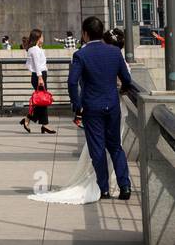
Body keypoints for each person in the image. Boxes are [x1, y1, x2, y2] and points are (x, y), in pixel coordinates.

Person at [67, 15, 134, 201]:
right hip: (112, 105)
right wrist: (124, 89)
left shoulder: (80, 54)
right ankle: (125, 186)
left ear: (85, 34)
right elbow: (127, 79)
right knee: (115, 147)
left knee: (97, 148)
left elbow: (72, 82)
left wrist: (77, 105)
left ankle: (103, 189)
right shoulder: (114, 52)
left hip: (92, 107)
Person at [20, 28, 54, 135]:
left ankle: (29, 120)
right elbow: (36, 64)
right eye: (42, 36)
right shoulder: (34, 49)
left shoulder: (36, 48)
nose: (43, 38)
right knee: (42, 101)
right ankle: (44, 124)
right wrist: (40, 78)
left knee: (41, 102)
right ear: (38, 38)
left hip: (41, 75)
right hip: (39, 75)